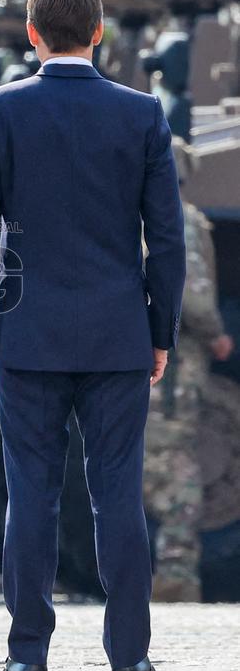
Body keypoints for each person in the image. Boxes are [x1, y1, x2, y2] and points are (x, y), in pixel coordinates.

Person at [0, 0, 186, 671]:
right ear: (98, 35)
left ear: (31, 35)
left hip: (27, 334)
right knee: (117, 493)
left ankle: (27, 657)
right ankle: (131, 659)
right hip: (119, 334)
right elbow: (168, 240)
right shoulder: (142, 112)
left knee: (32, 494)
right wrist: (160, 331)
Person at [144, 137, 234, 601]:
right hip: (169, 354)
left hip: (170, 358)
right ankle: (173, 567)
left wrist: (212, 331)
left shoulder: (164, 216)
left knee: (174, 461)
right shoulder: (179, 215)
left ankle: (177, 570)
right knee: (169, 458)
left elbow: (189, 293)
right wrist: (215, 332)